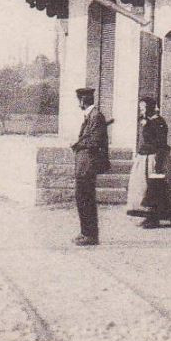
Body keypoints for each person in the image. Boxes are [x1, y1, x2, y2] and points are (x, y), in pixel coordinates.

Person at [124, 95, 171, 228]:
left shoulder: (159, 122)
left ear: (150, 108)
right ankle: (148, 216)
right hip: (145, 157)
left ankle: (155, 218)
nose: (141, 111)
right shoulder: (148, 121)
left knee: (155, 187)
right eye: (140, 108)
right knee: (143, 187)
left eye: (143, 108)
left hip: (156, 157)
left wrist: (158, 164)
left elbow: (160, 144)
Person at [69, 87, 109, 245]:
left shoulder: (96, 116)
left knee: (86, 198)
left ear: (82, 101)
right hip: (84, 165)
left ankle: (91, 235)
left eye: (79, 100)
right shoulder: (91, 116)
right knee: (82, 198)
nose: (78, 103)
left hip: (89, 164)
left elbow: (95, 142)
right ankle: (85, 232)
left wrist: (77, 145)